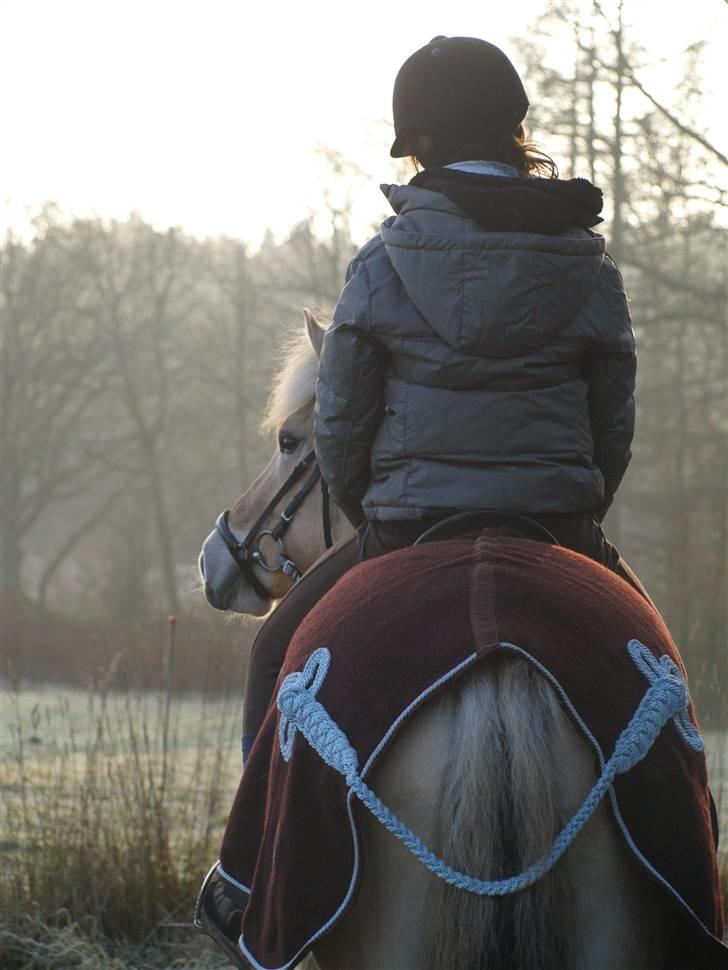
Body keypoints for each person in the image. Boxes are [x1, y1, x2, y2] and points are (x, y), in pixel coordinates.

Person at [241, 35, 649, 763]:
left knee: (273, 653)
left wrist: (378, 519)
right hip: (554, 519)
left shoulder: (380, 261)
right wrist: (577, 507)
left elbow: (341, 425)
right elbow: (612, 424)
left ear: (421, 142)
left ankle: (243, 878)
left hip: (409, 524)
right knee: (659, 678)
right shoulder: (591, 264)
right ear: (513, 127)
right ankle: (690, 862)